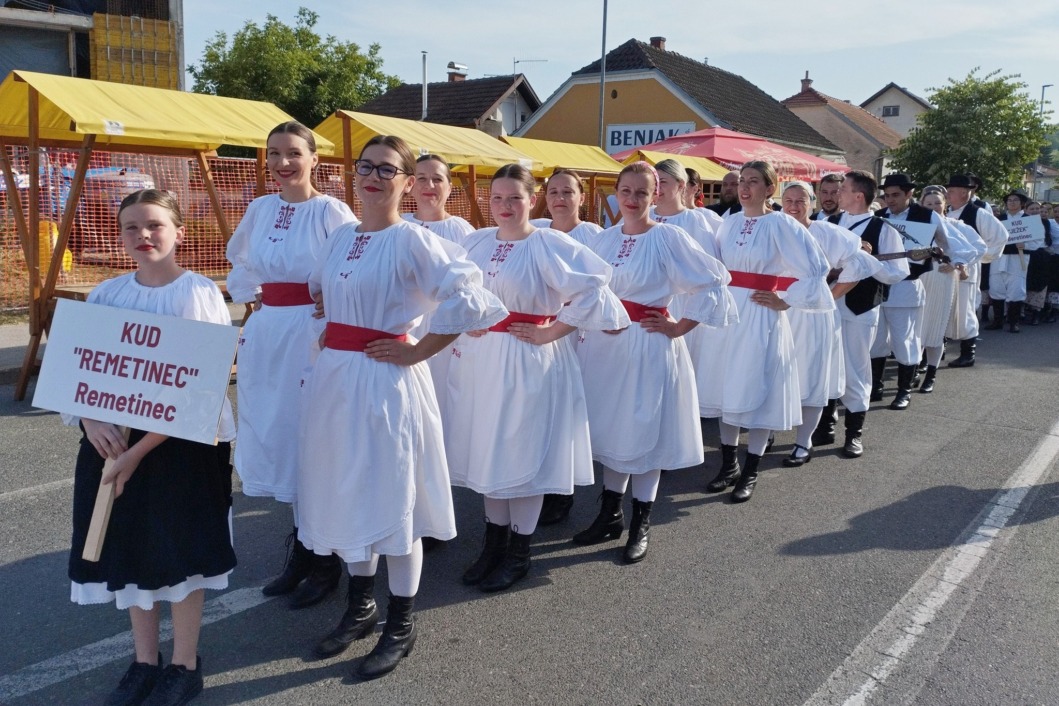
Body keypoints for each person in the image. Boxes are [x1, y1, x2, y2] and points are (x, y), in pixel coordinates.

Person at [298, 135, 507, 679]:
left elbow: (473, 299)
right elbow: (322, 292)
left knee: (395, 496)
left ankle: (401, 622)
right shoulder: (341, 236)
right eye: (365, 166)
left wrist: (417, 349)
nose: (373, 176)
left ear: (407, 182)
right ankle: (360, 606)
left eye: (387, 169)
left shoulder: (414, 239)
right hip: (336, 383)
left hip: (386, 383)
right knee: (347, 489)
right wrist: (328, 326)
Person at [67, 189, 237, 706]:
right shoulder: (106, 295)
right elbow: (82, 372)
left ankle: (185, 664)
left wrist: (135, 454)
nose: (143, 235)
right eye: (131, 227)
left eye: (155, 225)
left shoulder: (198, 294)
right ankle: (144, 661)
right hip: (110, 442)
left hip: (178, 448)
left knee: (182, 554)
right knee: (129, 551)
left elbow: (199, 388)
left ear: (179, 232)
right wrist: (94, 423)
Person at [446, 164, 628, 589]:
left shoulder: (548, 243)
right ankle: (494, 543)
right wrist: (467, 319)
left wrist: (553, 330)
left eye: (515, 198)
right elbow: (455, 291)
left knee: (522, 453)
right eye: (496, 198)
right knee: (489, 450)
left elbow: (595, 291)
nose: (505, 206)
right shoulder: (475, 242)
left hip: (530, 360)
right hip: (482, 362)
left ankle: (520, 551)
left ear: (533, 200)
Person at [573, 161, 734, 560]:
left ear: (656, 193)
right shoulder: (603, 240)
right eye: (626, 191)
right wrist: (595, 321)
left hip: (648, 346)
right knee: (612, 431)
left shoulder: (669, 238)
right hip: (605, 349)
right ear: (617, 192)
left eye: (642, 193)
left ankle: (640, 522)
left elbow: (712, 281)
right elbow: (583, 290)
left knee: (644, 433)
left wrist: (680, 327)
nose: (632, 199)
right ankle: (610, 514)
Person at [225, 121, 356, 608]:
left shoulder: (331, 211)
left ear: (313, 159)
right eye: (274, 153)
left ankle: (327, 561)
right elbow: (239, 260)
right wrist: (251, 297)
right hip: (269, 331)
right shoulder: (260, 208)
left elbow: (349, 267)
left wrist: (331, 309)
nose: (283, 163)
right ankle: (301, 550)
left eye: (293, 153)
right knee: (281, 436)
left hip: (311, 333)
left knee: (313, 440)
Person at [701, 161, 833, 502]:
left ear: (769, 188)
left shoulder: (781, 224)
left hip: (760, 314)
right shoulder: (727, 224)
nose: (745, 188)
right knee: (725, 384)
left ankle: (750, 469)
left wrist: (786, 300)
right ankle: (728, 463)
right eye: (742, 181)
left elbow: (816, 268)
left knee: (759, 387)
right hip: (729, 312)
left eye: (754, 182)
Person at [780, 182, 881, 466]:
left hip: (815, 315)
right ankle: (770, 433)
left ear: (811, 203)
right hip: (780, 311)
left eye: (800, 200)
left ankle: (803, 442)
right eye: (788, 200)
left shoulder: (828, 232)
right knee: (778, 372)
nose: (794, 206)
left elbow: (860, 265)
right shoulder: (773, 227)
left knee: (812, 375)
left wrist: (829, 295)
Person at [811, 170, 908, 458]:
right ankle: (825, 423)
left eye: (843, 190)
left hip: (860, 308)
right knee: (825, 364)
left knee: (855, 368)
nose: (836, 194)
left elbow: (898, 272)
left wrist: (865, 261)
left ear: (858, 196)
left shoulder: (883, 229)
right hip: (826, 305)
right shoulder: (829, 223)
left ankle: (854, 433)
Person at [528, 169, 605, 527]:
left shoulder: (595, 236)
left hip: (578, 331)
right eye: (553, 191)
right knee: (544, 411)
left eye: (568, 192)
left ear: (581, 197)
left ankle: (564, 490)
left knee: (570, 410)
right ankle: (541, 483)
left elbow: (601, 289)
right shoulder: (537, 232)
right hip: (541, 331)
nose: (560, 198)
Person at [871, 173, 972, 410]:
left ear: (909, 194)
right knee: (876, 340)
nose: (890, 200)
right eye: (886, 196)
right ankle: (875, 386)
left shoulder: (927, 216)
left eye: (896, 195)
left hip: (907, 285)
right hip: (877, 286)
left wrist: (952, 260)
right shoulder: (877, 217)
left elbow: (955, 245)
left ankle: (904, 390)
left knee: (905, 340)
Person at [918, 187, 986, 388]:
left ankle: (931, 375)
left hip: (943, 278)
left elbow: (977, 248)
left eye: (937, 203)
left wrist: (958, 265)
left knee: (937, 328)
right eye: (928, 204)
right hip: (922, 279)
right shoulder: (918, 226)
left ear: (945, 204)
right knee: (919, 328)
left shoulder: (957, 226)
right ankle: (915, 367)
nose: (933, 207)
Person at [944, 174, 1009, 366]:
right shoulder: (946, 212)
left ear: (964, 193)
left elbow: (1000, 237)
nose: (947, 194)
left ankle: (968, 353)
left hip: (967, 271)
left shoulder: (978, 214)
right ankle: (939, 348)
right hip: (945, 270)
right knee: (945, 307)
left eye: (952, 191)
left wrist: (981, 257)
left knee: (965, 309)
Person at [1023, 200, 1053, 325]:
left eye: (1037, 209)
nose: (1035, 211)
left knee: (1040, 285)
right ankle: (1023, 312)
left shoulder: (1045, 222)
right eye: (1032, 209)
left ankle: (1036, 313)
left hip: (1040, 257)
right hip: (1025, 256)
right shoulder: (1021, 222)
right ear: (1026, 210)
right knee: (1025, 284)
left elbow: (1048, 240)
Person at [684, 167, 725, 231]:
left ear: (695, 188)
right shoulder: (667, 214)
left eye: (683, 185)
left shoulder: (706, 215)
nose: (678, 188)